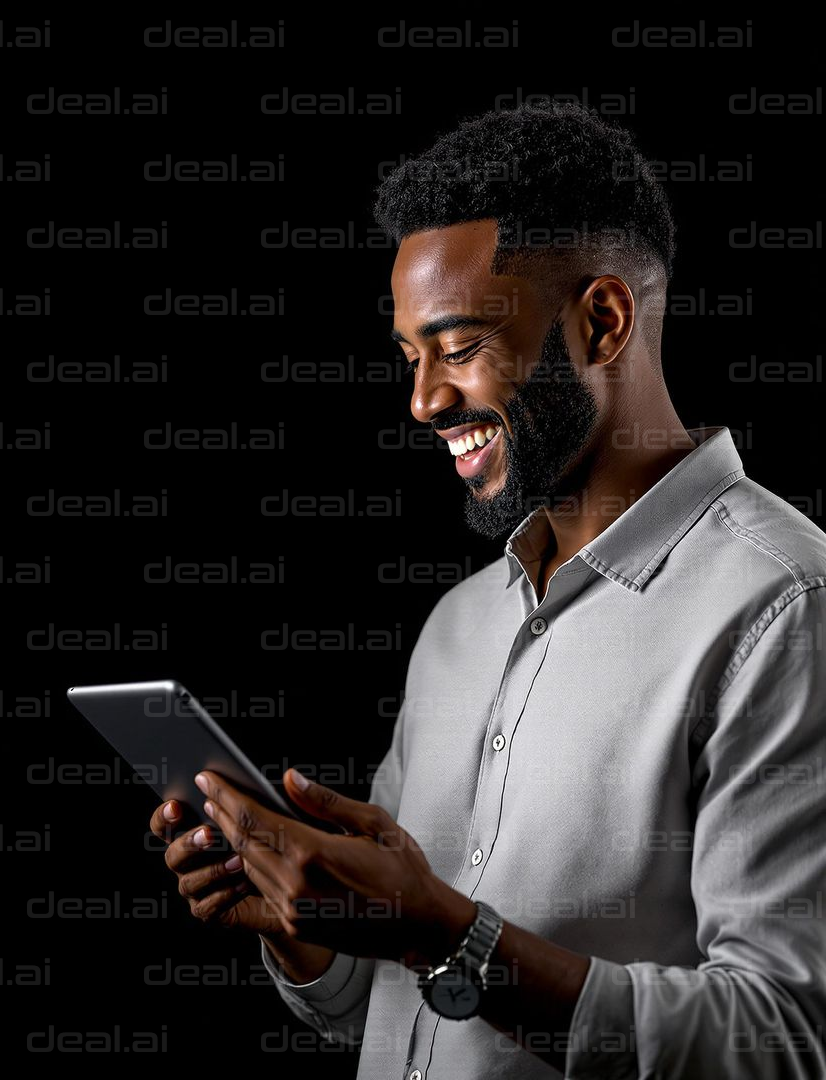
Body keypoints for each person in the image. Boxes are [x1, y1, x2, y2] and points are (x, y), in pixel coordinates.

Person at [149, 102, 826, 1078]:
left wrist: (444, 934)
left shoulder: (784, 609)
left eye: (459, 348)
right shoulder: (461, 626)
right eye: (410, 355)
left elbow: (783, 1043)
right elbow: (385, 1011)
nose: (422, 401)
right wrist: (303, 919)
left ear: (602, 320)